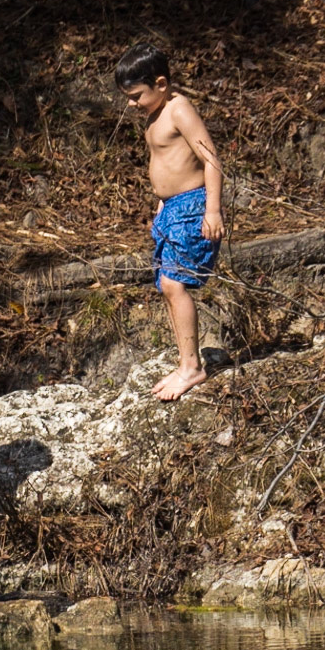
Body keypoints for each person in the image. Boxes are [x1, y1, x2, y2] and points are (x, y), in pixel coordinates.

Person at [115, 42, 225, 401]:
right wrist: (163, 202)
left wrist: (212, 209)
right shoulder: (156, 113)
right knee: (166, 284)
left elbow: (211, 160)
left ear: (160, 83)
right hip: (173, 209)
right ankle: (186, 360)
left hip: (194, 207)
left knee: (175, 284)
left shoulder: (178, 109)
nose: (131, 104)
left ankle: (192, 368)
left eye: (135, 96)